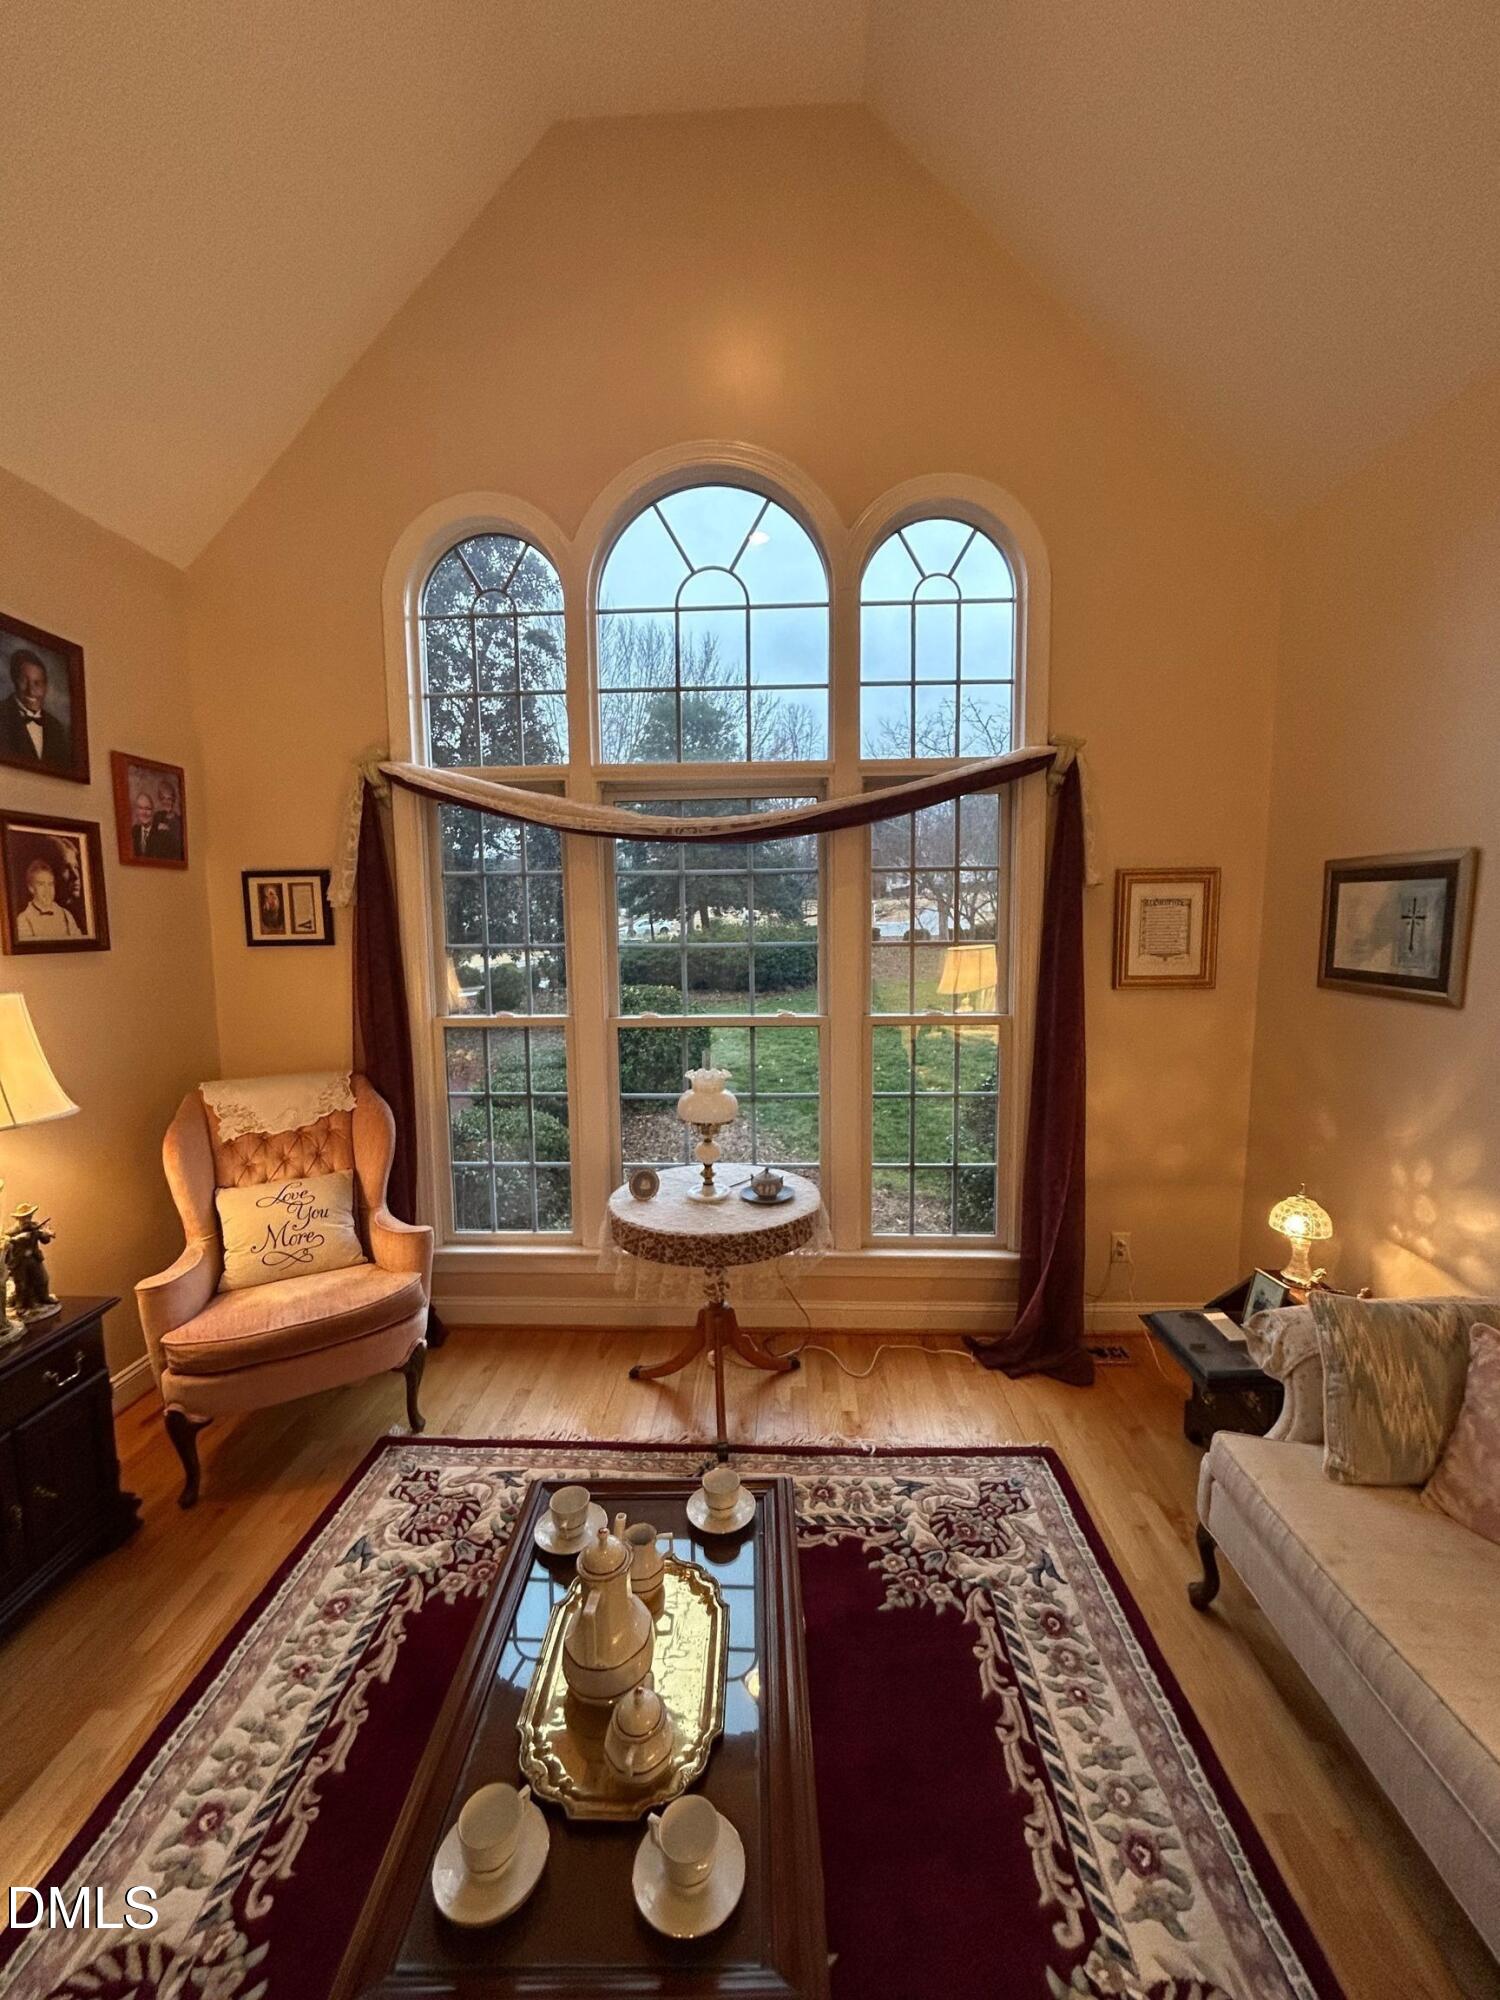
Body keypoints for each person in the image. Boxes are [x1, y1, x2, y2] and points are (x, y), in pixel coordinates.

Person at [0, 650, 71, 770]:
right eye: (23, 681)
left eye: (37, 683)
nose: (31, 691)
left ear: (46, 686)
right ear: (14, 680)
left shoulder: (56, 727)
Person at [15, 858, 83, 941]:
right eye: (41, 884)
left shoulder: (66, 915)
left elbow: (78, 945)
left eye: (50, 884)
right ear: (31, 888)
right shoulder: (24, 919)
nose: (47, 890)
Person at [148, 776, 184, 860]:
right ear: (160, 800)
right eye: (163, 798)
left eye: (169, 799)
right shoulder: (157, 817)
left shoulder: (179, 820)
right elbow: (150, 844)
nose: (166, 802)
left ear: (173, 800)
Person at [130, 790, 156, 858]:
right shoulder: (133, 832)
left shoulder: (161, 834)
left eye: (148, 809)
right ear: (136, 811)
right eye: (141, 808)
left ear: (153, 811)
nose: (144, 812)